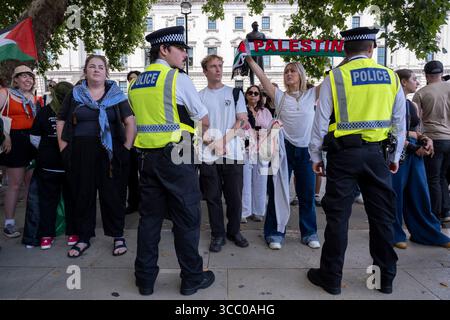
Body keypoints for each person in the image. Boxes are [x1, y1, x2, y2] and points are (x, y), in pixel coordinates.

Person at [308, 27, 406, 295]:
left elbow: (319, 124)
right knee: (382, 218)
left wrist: (316, 156)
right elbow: (400, 123)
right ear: (372, 48)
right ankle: (383, 279)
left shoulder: (336, 76)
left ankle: (331, 279)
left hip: (343, 157)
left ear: (344, 50)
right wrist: (395, 157)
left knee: (338, 219)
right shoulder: (391, 77)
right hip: (377, 156)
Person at [128, 26, 214, 296]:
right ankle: (191, 279)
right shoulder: (177, 78)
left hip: (146, 159)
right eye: (181, 50)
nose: (185, 56)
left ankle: (145, 280)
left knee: (150, 220)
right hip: (178, 154)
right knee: (187, 219)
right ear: (164, 50)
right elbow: (202, 115)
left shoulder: (135, 83)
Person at [57, 55, 136, 258]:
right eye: (92, 66)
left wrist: (126, 148)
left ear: (106, 71)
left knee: (113, 195)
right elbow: (61, 120)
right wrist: (63, 148)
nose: (96, 70)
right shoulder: (74, 95)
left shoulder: (116, 95)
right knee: (82, 194)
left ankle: (118, 235)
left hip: (110, 152)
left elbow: (130, 122)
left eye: (101, 67)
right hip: (80, 151)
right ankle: (83, 237)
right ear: (85, 70)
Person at [245, 56, 321, 250]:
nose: (288, 74)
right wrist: (250, 59)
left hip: (306, 151)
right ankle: (274, 233)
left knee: (307, 194)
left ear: (301, 75)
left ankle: (310, 233)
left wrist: (350, 58)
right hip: (282, 149)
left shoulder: (312, 94)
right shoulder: (279, 96)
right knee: (277, 192)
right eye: (286, 71)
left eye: (292, 71)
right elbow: (261, 77)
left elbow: (333, 78)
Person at [392, 69, 450, 249]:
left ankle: (426, 232)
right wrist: (412, 146)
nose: (417, 82)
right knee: (395, 194)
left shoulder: (411, 104)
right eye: (414, 79)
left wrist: (424, 138)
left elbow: (413, 129)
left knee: (419, 193)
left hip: (413, 151)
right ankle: (394, 234)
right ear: (403, 82)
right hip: (398, 151)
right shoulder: (390, 102)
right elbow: (392, 131)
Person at [198, 54, 250, 253]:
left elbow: (242, 121)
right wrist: (213, 144)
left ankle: (234, 231)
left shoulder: (235, 93)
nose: (218, 69)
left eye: (220, 65)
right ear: (205, 71)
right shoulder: (199, 96)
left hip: (233, 152)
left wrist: (222, 142)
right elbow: (198, 127)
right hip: (208, 154)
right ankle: (218, 234)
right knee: (212, 197)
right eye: (213, 66)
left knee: (234, 197)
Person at [24, 81, 75, 249]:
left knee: (47, 201)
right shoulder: (74, 111)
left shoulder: (45, 111)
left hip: (48, 165)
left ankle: (46, 236)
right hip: (69, 164)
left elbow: (34, 137)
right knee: (71, 200)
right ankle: (73, 234)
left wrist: (46, 150)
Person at [0, 65, 43, 238]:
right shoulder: (5, 93)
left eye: (30, 77)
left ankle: (31, 222)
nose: (28, 80)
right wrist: (4, 135)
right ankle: (9, 224)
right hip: (13, 141)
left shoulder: (34, 98)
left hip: (32, 142)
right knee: (15, 184)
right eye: (23, 76)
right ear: (15, 80)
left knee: (31, 185)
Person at [413, 60, 450, 223]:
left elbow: (415, 119)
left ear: (426, 75)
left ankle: (435, 214)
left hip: (433, 139)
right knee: (444, 177)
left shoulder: (421, 93)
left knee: (433, 178)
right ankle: (446, 211)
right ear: (441, 74)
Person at [241, 85, 273, 223]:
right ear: (246, 95)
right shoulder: (241, 111)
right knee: (245, 181)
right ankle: (244, 211)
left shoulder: (265, 112)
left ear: (260, 96)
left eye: (256, 93)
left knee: (261, 181)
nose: (253, 95)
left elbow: (271, 128)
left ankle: (258, 211)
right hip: (246, 150)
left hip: (262, 150)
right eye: (250, 92)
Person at [125, 70, 142, 215]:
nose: (132, 82)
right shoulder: (125, 102)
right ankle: (133, 203)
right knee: (131, 176)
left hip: (143, 143)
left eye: (135, 79)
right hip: (131, 144)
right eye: (130, 79)